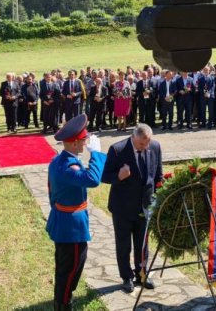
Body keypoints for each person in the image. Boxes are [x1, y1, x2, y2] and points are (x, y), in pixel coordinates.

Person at [46, 115, 105, 311]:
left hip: (63, 222)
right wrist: (96, 154)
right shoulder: (68, 166)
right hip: (71, 228)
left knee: (65, 267)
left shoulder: (58, 160)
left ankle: (62, 301)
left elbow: (51, 192)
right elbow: (92, 179)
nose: (86, 142)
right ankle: (64, 305)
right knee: (70, 270)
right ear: (73, 143)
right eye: (83, 140)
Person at [101, 124, 163, 293]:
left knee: (142, 244)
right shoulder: (117, 150)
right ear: (133, 137)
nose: (146, 146)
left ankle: (142, 274)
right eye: (142, 143)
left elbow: (158, 175)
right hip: (123, 207)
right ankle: (126, 277)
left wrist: (159, 196)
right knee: (124, 244)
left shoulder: (155, 147)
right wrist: (119, 176)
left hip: (145, 205)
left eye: (148, 143)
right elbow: (104, 176)